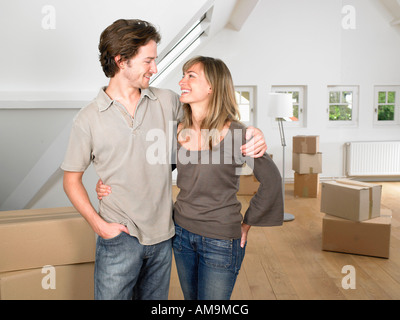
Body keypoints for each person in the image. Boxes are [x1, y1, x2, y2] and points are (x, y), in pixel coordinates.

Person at [61, 19, 267, 300]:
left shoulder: (168, 102)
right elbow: (71, 180)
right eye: (148, 61)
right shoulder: (87, 119)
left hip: (165, 236)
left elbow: (209, 125)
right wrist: (99, 225)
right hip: (118, 236)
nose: (155, 69)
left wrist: (251, 133)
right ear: (122, 61)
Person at [97, 55, 283, 300]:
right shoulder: (176, 131)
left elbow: (272, 182)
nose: (182, 81)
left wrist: (247, 223)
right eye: (183, 75)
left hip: (221, 240)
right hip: (181, 234)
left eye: (191, 76)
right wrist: (112, 184)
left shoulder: (238, 133)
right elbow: (152, 171)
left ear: (212, 87)